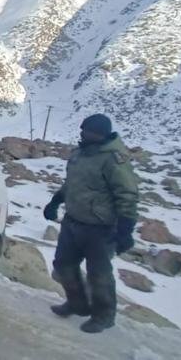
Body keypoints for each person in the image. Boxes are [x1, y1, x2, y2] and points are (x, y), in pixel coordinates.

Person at [44, 114, 138, 334]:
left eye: (88, 131)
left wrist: (126, 229)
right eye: (83, 130)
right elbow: (72, 184)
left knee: (99, 274)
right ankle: (77, 304)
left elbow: (127, 193)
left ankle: (104, 315)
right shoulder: (79, 154)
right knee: (63, 266)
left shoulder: (113, 159)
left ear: (100, 134)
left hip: (101, 228)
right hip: (73, 221)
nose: (83, 134)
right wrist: (56, 201)